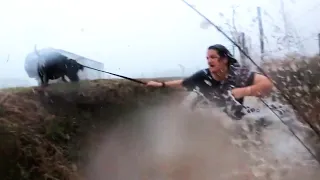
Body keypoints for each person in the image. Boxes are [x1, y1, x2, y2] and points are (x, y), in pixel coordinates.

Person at [145, 44, 274, 119]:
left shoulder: (238, 74)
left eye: (213, 57)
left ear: (224, 60)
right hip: (214, 115)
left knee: (262, 120)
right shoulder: (203, 75)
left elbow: (267, 84)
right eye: (207, 58)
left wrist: (244, 91)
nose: (209, 61)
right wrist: (161, 84)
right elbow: (184, 83)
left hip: (238, 117)